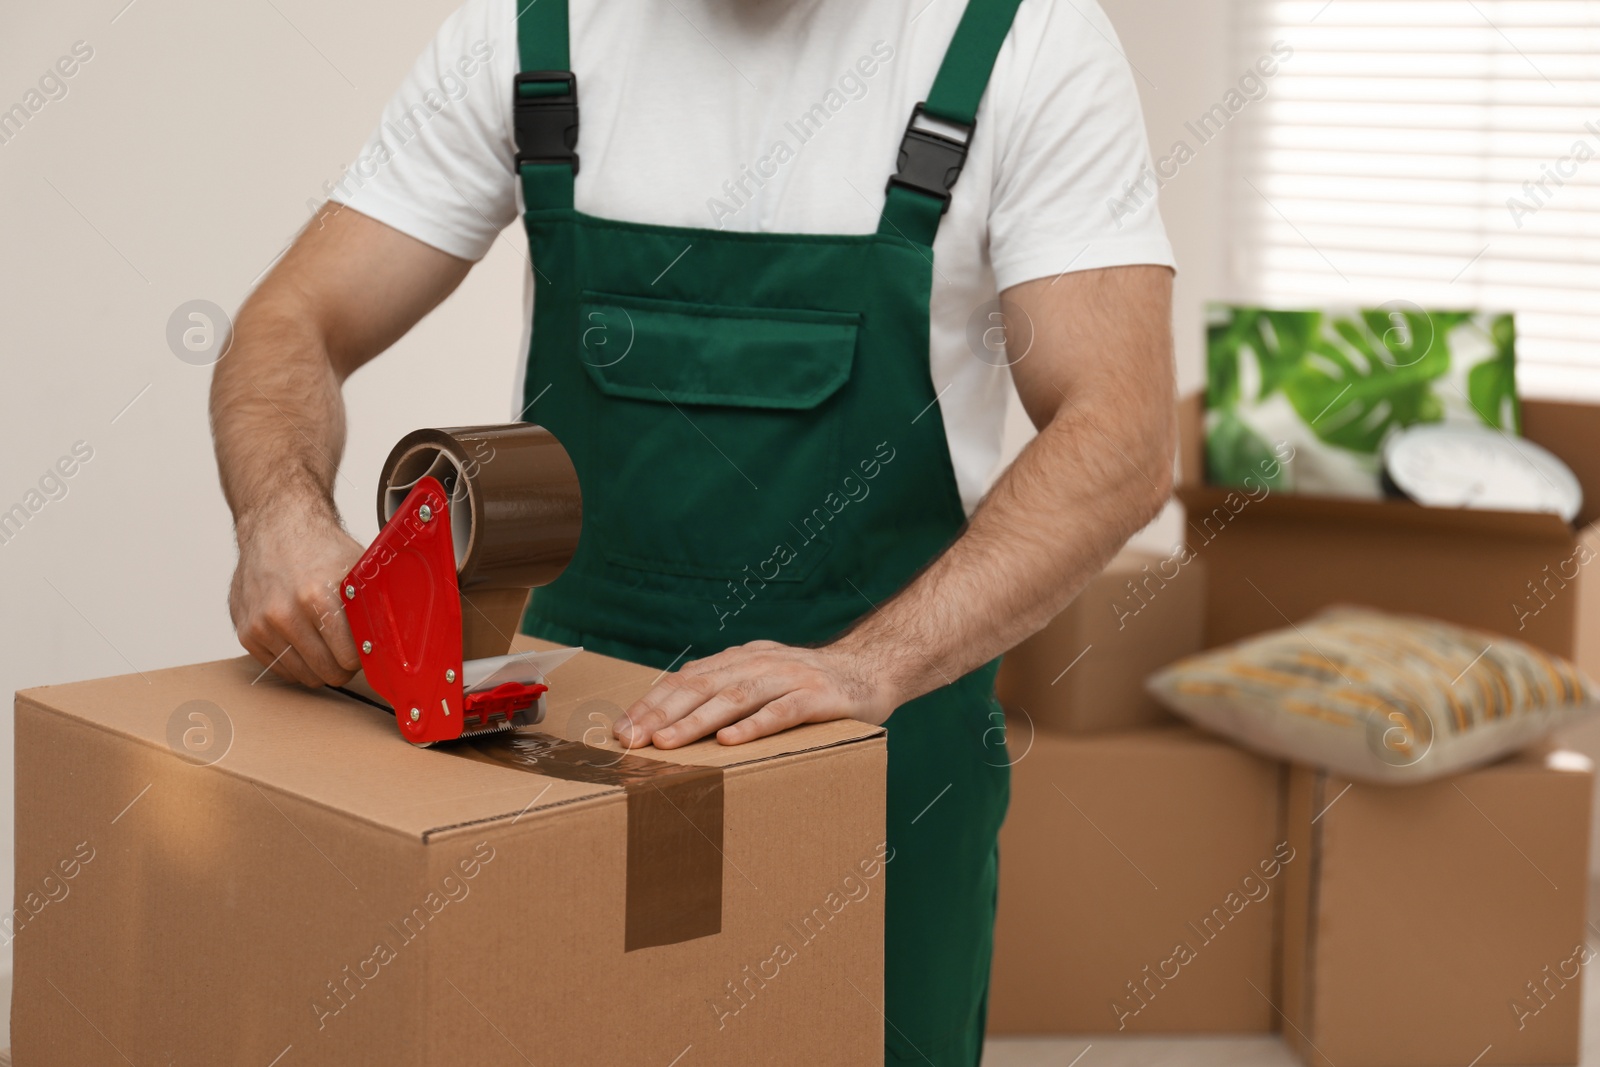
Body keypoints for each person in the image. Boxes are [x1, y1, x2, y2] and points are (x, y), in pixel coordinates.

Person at [210, 0, 1176, 1060]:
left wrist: (862, 666)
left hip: (878, 755)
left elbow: (1119, 434)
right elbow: (291, 319)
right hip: (570, 743)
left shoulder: (1022, 41)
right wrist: (281, 512)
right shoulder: (532, 31)